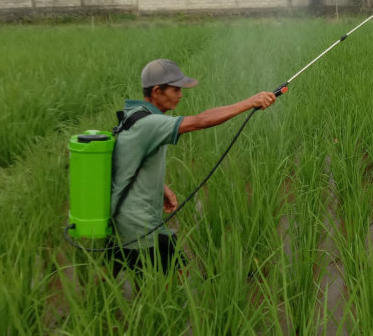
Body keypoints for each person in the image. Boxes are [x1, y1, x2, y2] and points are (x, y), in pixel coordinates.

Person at [108, 58, 276, 276]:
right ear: (157, 91)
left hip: (125, 220)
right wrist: (250, 102)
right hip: (139, 227)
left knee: (143, 280)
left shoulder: (135, 113)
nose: (180, 94)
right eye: (176, 89)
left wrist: (162, 186)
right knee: (172, 282)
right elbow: (200, 121)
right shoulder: (150, 123)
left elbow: (129, 159)